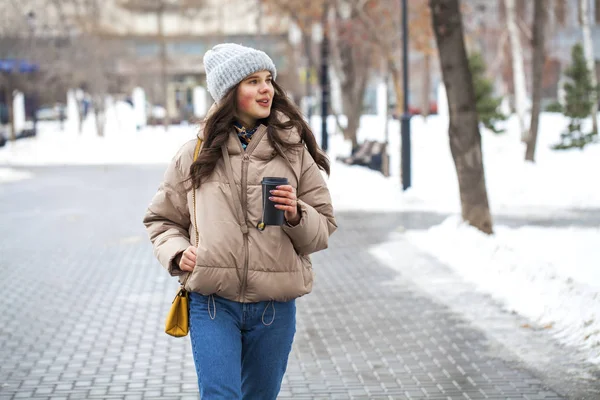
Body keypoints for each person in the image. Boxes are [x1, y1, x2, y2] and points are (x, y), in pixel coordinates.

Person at [143, 43, 337, 400]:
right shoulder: (196, 153)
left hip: (273, 308)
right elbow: (161, 219)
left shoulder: (293, 151)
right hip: (212, 304)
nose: (266, 89)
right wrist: (177, 251)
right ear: (230, 93)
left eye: (268, 80)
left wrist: (296, 214)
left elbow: (322, 230)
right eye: (253, 81)